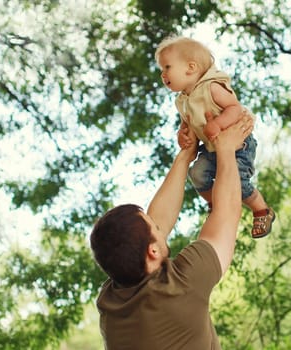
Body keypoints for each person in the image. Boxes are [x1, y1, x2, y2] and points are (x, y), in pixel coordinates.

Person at [89, 112, 253, 349]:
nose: (159, 225)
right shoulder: (181, 288)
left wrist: (185, 156)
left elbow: (151, 230)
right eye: (154, 227)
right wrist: (226, 149)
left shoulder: (112, 301)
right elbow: (226, 213)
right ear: (153, 251)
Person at [155, 35, 275, 238]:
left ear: (190, 68)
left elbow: (235, 108)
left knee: (237, 181)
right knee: (197, 174)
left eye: (167, 67)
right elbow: (187, 124)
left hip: (238, 145)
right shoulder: (182, 101)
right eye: (161, 70)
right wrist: (182, 135)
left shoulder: (211, 88)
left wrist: (218, 123)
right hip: (211, 149)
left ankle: (261, 209)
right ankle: (215, 204)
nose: (162, 74)